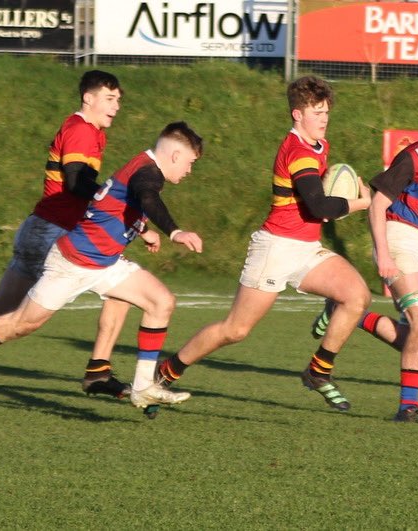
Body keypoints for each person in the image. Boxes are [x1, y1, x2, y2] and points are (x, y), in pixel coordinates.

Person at [150, 75, 372, 412]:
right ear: (297, 114)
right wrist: (360, 203)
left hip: (306, 247)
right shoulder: (298, 150)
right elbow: (319, 207)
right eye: (316, 112)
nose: (324, 118)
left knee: (356, 295)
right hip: (276, 248)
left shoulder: (318, 145)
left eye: (326, 112)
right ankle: (167, 371)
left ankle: (318, 371)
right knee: (235, 330)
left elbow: (317, 210)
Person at [0, 121, 204, 411]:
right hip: (73, 263)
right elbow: (148, 197)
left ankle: (143, 387)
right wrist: (175, 231)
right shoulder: (148, 172)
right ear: (175, 155)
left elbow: (121, 206)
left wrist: (142, 229)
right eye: (190, 163)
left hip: (104, 263)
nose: (189, 170)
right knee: (18, 324)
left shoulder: (143, 166)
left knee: (160, 302)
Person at [0, 70, 133, 398]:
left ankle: (99, 370)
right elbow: (76, 182)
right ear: (88, 98)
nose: (116, 106)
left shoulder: (92, 131)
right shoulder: (80, 130)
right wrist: (119, 199)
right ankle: (98, 372)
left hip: (46, 229)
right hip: (54, 233)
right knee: (125, 290)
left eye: (119, 100)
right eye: (110, 99)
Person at [312, 91, 418, 423]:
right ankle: (408, 407)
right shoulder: (415, 157)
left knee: (413, 335)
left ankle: (346, 312)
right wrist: (384, 254)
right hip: (398, 239)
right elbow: (377, 204)